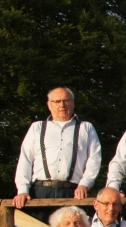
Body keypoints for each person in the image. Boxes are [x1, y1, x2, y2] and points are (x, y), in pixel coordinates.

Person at [13, 87, 102, 218]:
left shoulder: (86, 128)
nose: (62, 105)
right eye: (57, 101)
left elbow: (94, 159)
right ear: (49, 105)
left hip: (73, 192)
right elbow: (25, 160)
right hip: (40, 192)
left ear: (73, 103)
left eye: (66, 100)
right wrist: (22, 190)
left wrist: (85, 184)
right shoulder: (37, 127)